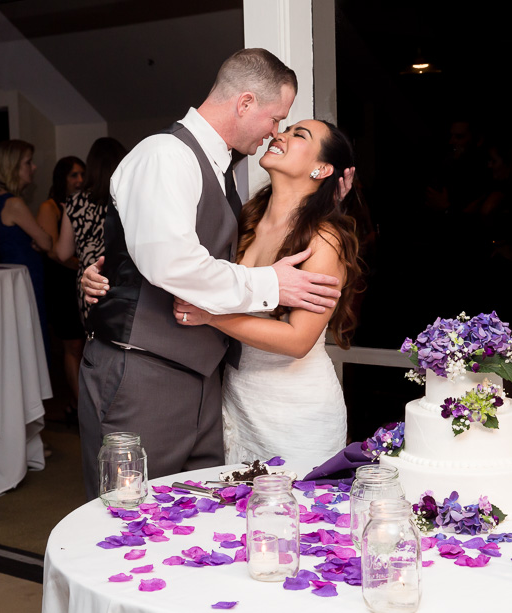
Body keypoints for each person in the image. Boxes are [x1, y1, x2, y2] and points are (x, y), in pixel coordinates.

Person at [76, 49, 344, 499]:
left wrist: (326, 201)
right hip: (145, 377)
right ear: (244, 104)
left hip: (206, 386)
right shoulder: (166, 155)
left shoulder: (225, 177)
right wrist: (271, 284)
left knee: (194, 519)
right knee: (130, 516)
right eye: (276, 117)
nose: (274, 131)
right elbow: (172, 264)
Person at [170, 119, 360, 464]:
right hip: (239, 401)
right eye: (283, 128)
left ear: (321, 168)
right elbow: (180, 260)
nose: (280, 135)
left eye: (298, 134)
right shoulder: (242, 221)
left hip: (297, 412)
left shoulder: (324, 239)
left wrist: (213, 316)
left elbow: (297, 341)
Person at [0, 140, 53, 356]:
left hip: (18, 280)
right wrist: (39, 238)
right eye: (28, 162)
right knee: (33, 342)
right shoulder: (13, 203)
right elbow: (46, 242)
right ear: (12, 167)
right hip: (25, 281)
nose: (33, 167)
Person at [53, 137, 127, 324]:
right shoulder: (128, 198)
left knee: (94, 339)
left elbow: (63, 253)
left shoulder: (76, 201)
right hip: (123, 278)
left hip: (89, 282)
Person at [37, 156, 86, 418]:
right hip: (62, 283)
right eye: (73, 175)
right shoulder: (50, 207)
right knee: (72, 346)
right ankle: (79, 409)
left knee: (84, 345)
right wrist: (85, 265)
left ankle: (77, 403)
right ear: (62, 179)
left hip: (79, 280)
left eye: (82, 175)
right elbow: (56, 252)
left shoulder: (85, 203)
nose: (79, 180)